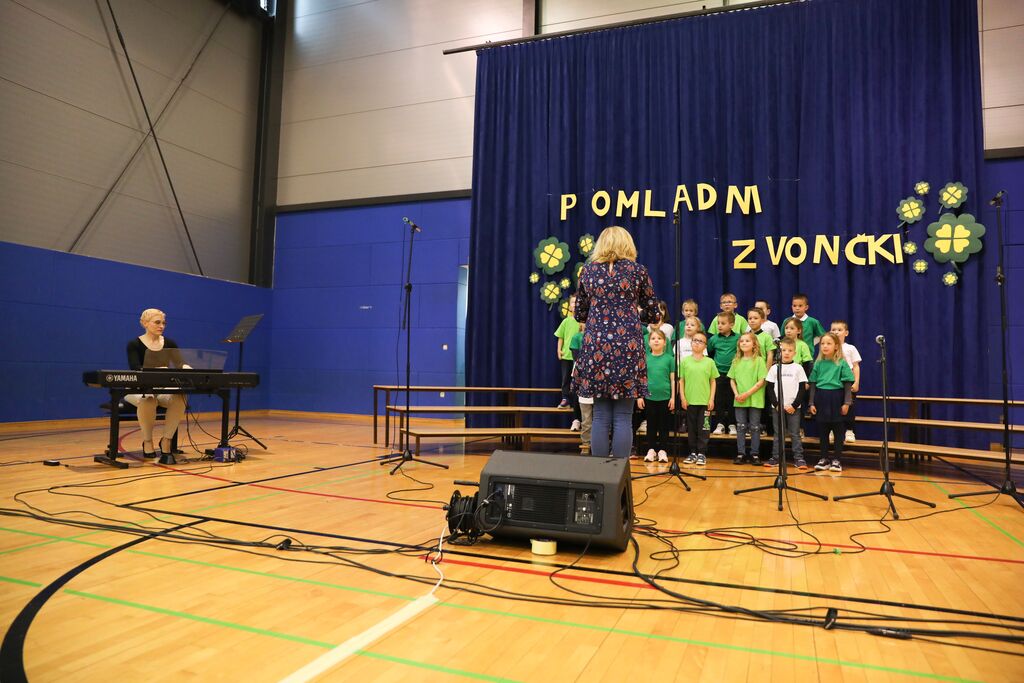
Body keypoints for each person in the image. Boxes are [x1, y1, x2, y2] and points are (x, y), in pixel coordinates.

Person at [572, 226, 660, 458]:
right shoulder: (637, 271)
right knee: (623, 415)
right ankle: (618, 472)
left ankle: (599, 473)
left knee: (600, 415)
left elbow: (579, 313)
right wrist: (634, 315)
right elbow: (654, 314)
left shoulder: (588, 271)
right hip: (627, 345)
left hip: (596, 344)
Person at [125, 308, 187, 458]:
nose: (162, 326)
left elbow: (180, 363)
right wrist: (157, 369)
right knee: (148, 398)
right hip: (137, 389)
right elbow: (135, 367)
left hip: (162, 388)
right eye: (157, 322)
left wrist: (187, 367)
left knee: (180, 397)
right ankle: (147, 441)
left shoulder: (170, 343)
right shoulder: (134, 344)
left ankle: (166, 440)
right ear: (145, 323)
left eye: (164, 323)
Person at [808, 332, 855, 473]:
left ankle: (837, 460)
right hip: (821, 398)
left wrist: (846, 403)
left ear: (836, 346)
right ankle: (824, 458)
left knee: (838, 431)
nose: (825, 346)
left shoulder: (842, 363)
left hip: (836, 397)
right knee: (823, 431)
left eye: (829, 343)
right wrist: (811, 403)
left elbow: (848, 384)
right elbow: (813, 384)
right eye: (822, 343)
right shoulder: (818, 364)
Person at [764, 338, 809, 469]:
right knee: (779, 433)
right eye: (784, 350)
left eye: (790, 350)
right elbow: (770, 388)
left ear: (794, 353)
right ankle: (776, 457)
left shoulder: (798, 368)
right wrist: (776, 404)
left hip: (794, 408)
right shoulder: (774, 368)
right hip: (777, 408)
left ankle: (799, 458)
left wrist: (794, 405)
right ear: (779, 352)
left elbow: (802, 389)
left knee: (795, 433)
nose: (787, 353)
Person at [678, 331, 717, 466]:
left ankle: (702, 453)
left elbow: (713, 381)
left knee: (704, 428)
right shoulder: (685, 362)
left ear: (705, 346)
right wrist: (683, 398)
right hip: (690, 401)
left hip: (705, 402)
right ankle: (693, 452)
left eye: (700, 341)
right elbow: (681, 381)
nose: (697, 343)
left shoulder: (709, 362)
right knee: (692, 428)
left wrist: (711, 399)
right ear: (691, 342)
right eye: (695, 340)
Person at [728, 332, 767, 465]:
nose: (744, 343)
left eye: (747, 341)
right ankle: (741, 453)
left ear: (754, 344)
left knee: (755, 427)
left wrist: (747, 394)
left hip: (755, 399)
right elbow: (732, 379)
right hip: (739, 399)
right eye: (742, 341)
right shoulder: (736, 361)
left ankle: (755, 454)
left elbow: (761, 381)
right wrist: (736, 394)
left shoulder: (759, 360)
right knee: (741, 426)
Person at [640, 329, 675, 463]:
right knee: (651, 425)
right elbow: (641, 379)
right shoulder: (645, 359)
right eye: (653, 338)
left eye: (659, 338)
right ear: (649, 342)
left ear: (664, 342)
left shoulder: (669, 359)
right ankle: (651, 450)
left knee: (664, 426)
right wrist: (640, 396)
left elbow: (673, 380)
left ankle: (663, 450)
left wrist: (673, 397)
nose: (656, 341)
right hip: (649, 397)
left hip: (665, 397)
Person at [707, 311, 739, 435]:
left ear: (731, 325)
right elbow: (709, 354)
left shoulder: (738, 338)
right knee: (719, 400)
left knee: (732, 400)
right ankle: (720, 424)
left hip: (733, 375)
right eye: (718, 323)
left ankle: (732, 424)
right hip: (718, 375)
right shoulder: (713, 339)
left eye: (723, 323)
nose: (719, 326)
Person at [830, 320, 862, 442]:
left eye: (839, 330)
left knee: (849, 406)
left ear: (846, 333)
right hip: (833, 381)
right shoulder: (828, 347)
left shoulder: (850, 348)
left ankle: (849, 431)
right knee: (833, 406)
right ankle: (832, 430)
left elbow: (856, 366)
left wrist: (856, 382)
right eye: (833, 330)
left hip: (848, 381)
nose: (836, 332)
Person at [554, 294, 580, 409]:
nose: (575, 305)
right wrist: (559, 350)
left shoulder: (584, 322)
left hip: (578, 357)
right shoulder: (566, 321)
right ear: (569, 306)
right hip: (566, 356)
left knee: (576, 380)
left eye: (577, 302)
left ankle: (576, 401)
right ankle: (565, 398)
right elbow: (561, 337)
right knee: (565, 379)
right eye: (573, 302)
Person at [567, 322, 586, 431]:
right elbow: (576, 356)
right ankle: (576, 420)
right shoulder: (577, 337)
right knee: (576, 394)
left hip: (592, 372)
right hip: (579, 371)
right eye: (584, 321)